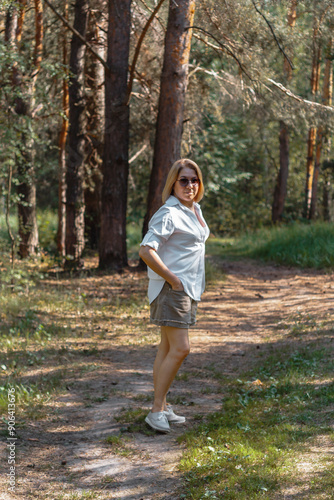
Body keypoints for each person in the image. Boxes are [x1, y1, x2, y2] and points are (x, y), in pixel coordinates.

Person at [139, 158, 210, 433]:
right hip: (172, 290)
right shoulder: (169, 213)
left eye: (194, 180)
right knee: (182, 348)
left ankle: (163, 406)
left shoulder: (194, 209)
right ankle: (156, 410)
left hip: (187, 289)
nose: (190, 185)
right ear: (173, 183)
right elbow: (146, 250)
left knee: (167, 348)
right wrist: (173, 279)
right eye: (184, 180)